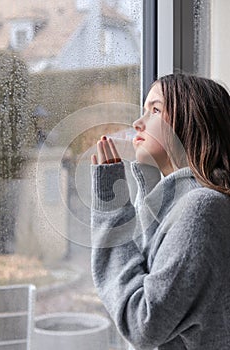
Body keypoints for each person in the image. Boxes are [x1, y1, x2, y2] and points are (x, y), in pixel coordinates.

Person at [90, 73, 230, 350]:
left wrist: (113, 210)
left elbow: (142, 323)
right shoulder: (178, 207)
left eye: (155, 110)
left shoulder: (201, 209)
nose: (137, 123)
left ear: (193, 122)